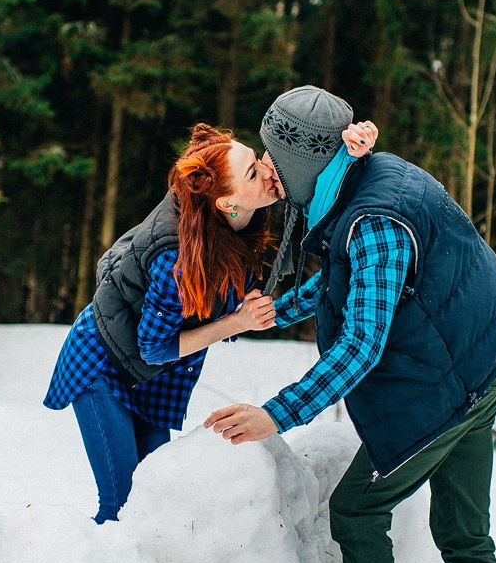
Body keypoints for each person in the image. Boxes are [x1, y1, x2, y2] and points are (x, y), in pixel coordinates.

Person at [203, 86, 496, 563]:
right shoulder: (365, 177)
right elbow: (346, 283)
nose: (267, 170)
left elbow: (361, 344)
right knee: (467, 535)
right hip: (482, 360)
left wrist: (276, 414)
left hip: (444, 384)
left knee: (355, 511)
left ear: (303, 158)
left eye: (274, 157)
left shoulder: (374, 220)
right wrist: (275, 311)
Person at [44, 119, 375, 524]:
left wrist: (350, 156)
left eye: (257, 159)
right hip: (102, 365)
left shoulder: (239, 216)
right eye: (253, 172)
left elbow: (317, 193)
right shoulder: (176, 256)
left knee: (153, 501)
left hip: (149, 377)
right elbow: (154, 348)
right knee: (121, 506)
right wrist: (236, 322)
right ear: (226, 201)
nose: (267, 172)